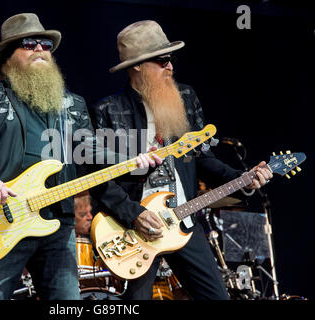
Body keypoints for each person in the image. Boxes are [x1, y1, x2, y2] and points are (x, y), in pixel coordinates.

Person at [0, 13, 160, 300]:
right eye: (29, 44)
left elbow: (90, 150)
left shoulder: (72, 104)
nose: (40, 49)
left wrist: (131, 158)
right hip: (5, 217)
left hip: (58, 224)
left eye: (45, 45)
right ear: (8, 57)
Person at [89, 20, 273, 300]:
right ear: (137, 66)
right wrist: (134, 214)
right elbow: (100, 181)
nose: (170, 67)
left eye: (171, 60)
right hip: (135, 227)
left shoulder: (186, 98)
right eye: (161, 61)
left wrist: (245, 180)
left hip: (183, 220)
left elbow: (204, 160)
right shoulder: (107, 110)